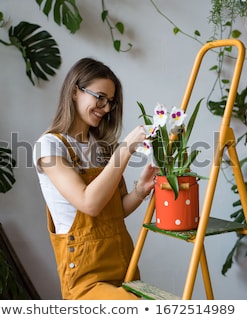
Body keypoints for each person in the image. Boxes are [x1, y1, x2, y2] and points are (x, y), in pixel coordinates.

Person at [33, 57, 158, 300]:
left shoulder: (101, 148)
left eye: (110, 102)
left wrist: (140, 191)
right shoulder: (48, 147)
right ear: (74, 92)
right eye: (100, 97)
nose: (107, 108)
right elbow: (88, 203)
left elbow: (114, 212)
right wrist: (125, 150)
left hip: (123, 263)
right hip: (85, 278)